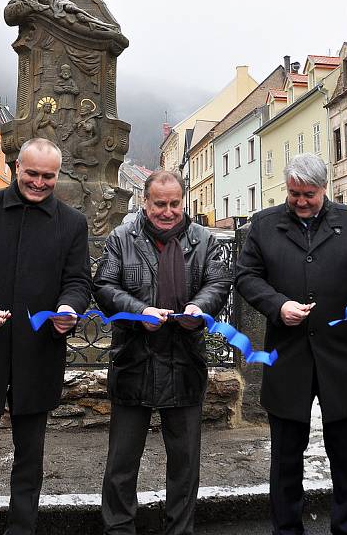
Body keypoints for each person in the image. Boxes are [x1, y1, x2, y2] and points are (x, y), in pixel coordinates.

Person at [0, 138, 91, 535]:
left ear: (58, 175)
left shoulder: (73, 223)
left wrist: (68, 309)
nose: (39, 183)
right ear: (16, 168)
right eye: (32, 174)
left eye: (48, 176)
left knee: (30, 459)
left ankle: (21, 530)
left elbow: (78, 281)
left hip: (38, 355)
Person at [235, 153, 347, 535]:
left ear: (325, 189)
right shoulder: (265, 225)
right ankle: (287, 530)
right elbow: (247, 276)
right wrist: (277, 305)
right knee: (286, 460)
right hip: (287, 357)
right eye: (293, 194)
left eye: (309, 195)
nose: (301, 202)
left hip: (340, 357)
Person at [93, 170, 232, 535]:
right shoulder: (122, 238)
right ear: (145, 201)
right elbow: (104, 287)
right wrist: (139, 313)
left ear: (183, 201)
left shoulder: (204, 240)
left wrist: (200, 307)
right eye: (160, 204)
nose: (168, 211)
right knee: (122, 463)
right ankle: (119, 529)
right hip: (134, 361)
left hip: (185, 361)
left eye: (175, 204)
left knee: (185, 465)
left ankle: (179, 530)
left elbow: (219, 281)